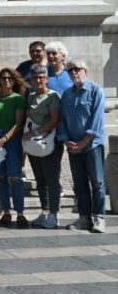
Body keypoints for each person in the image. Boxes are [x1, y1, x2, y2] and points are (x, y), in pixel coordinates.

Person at [58, 60, 107, 233]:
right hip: (73, 146)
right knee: (79, 183)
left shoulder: (96, 91)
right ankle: (84, 218)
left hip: (92, 145)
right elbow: (62, 120)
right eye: (70, 70)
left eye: (77, 69)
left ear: (85, 71)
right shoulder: (67, 94)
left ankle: (99, 218)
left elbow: (97, 120)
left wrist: (84, 141)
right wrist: (66, 140)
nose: (73, 73)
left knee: (97, 183)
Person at [0, 68, 28, 228]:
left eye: (9, 78)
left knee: (15, 177)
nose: (6, 80)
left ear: (14, 80)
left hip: (12, 140)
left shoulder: (18, 99)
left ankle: (20, 212)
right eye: (3, 77)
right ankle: (6, 211)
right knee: (0, 177)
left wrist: (4, 139)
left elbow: (18, 123)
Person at [24, 64, 62, 229]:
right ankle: (45, 211)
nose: (38, 80)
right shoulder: (31, 97)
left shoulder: (53, 96)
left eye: (41, 77)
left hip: (49, 143)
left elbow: (54, 120)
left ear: (46, 79)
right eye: (35, 78)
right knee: (40, 180)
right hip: (34, 144)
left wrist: (36, 132)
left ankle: (54, 214)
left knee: (51, 180)